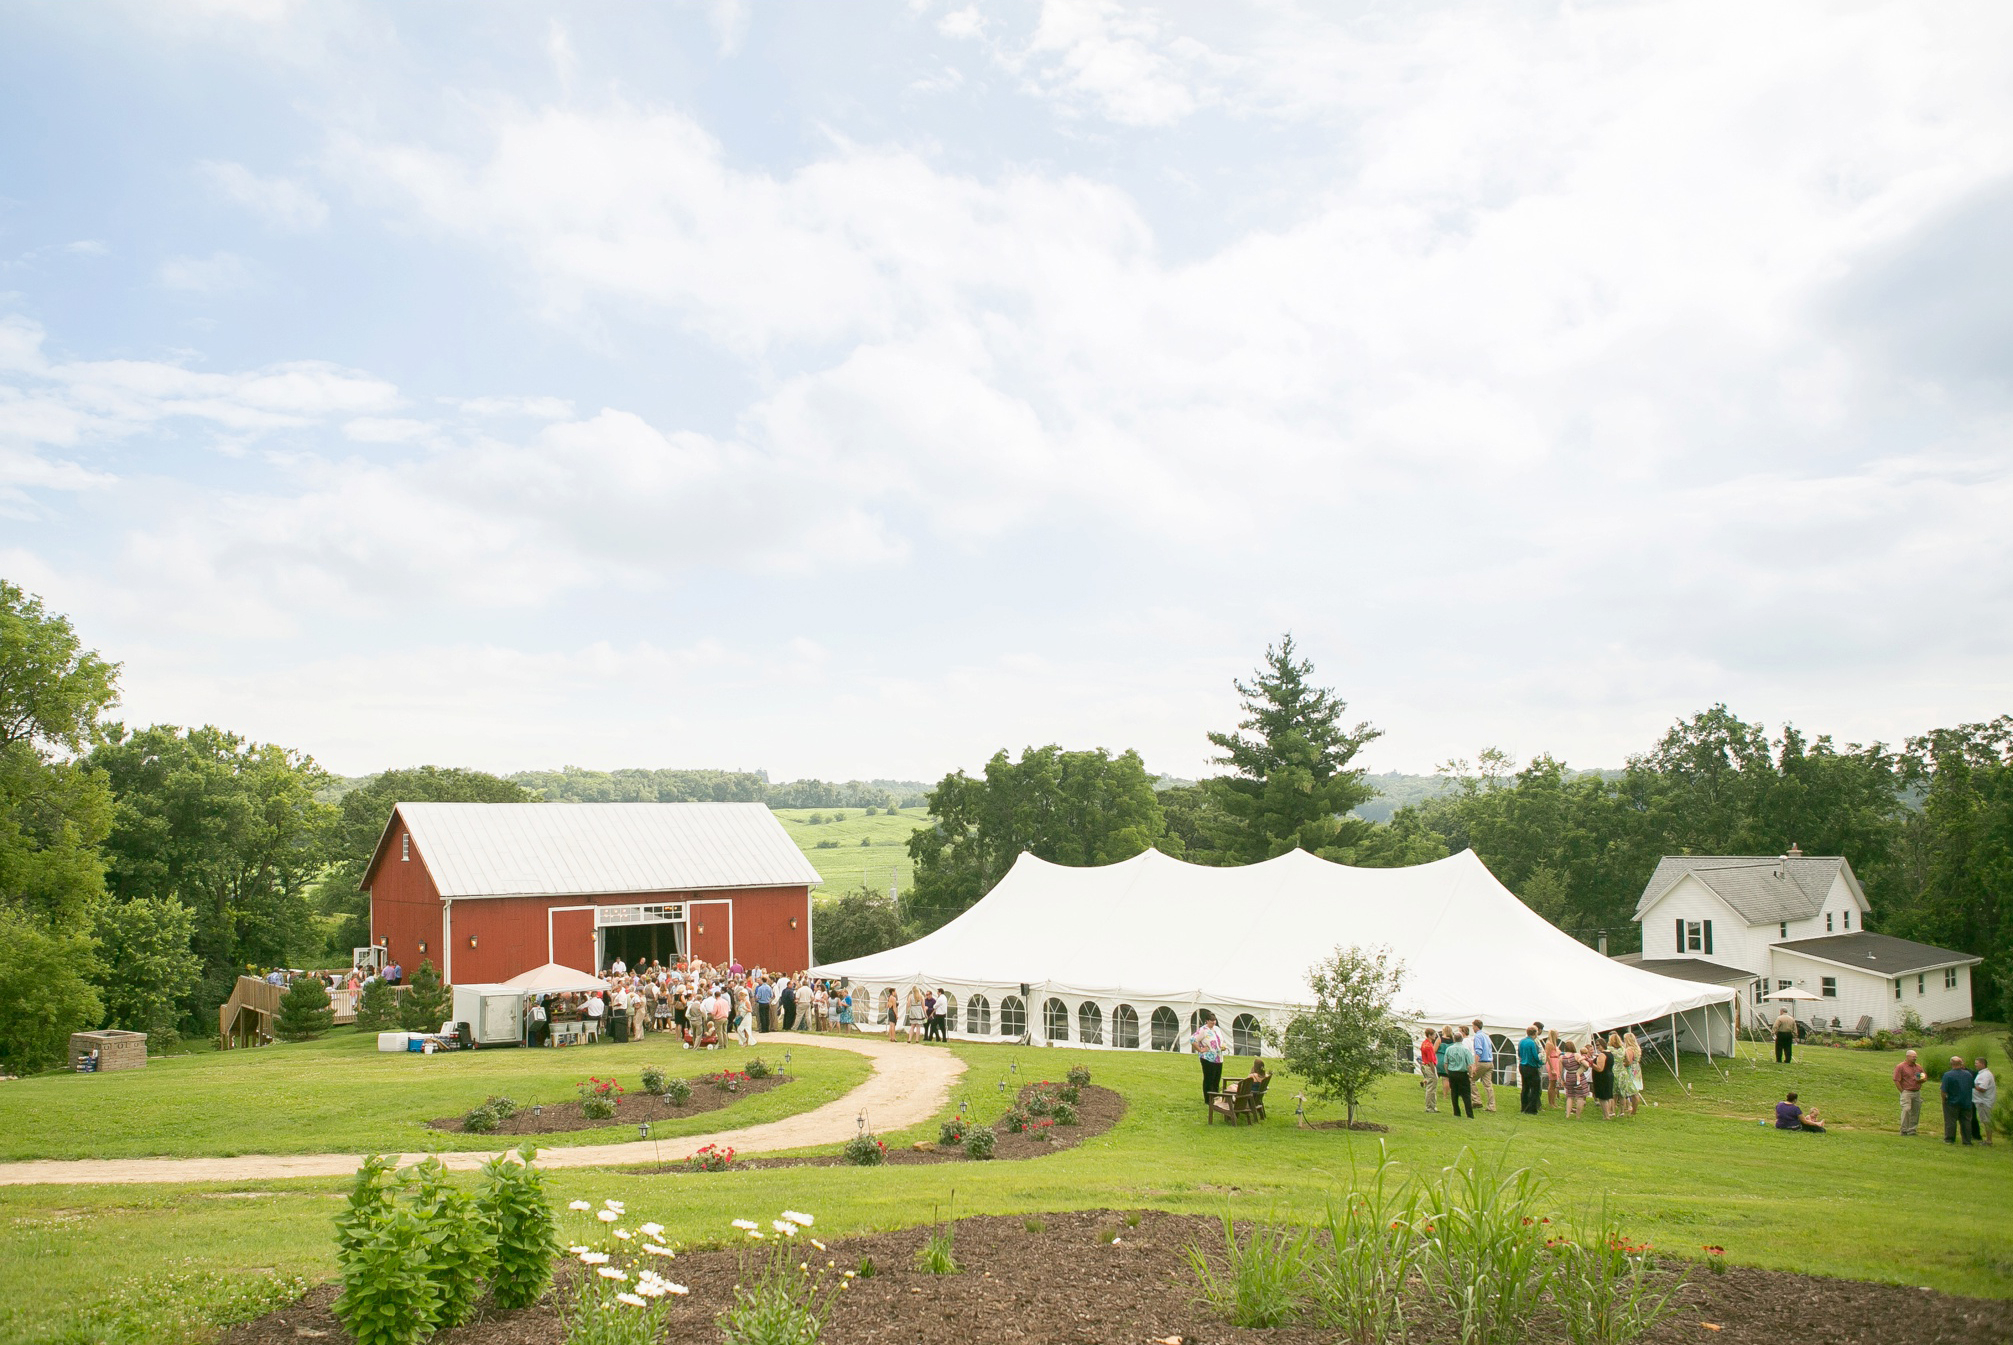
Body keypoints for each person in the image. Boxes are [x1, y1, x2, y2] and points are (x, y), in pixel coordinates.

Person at [1192, 1010, 1227, 1103]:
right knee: (1209, 1078)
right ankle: (1208, 1099)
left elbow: (1221, 1040)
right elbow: (1193, 1040)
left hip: (1218, 1057)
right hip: (1207, 1058)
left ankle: (1215, 1097)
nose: (1213, 1023)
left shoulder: (1217, 1029)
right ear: (1207, 1021)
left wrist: (1223, 1045)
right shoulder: (1203, 1030)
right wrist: (1200, 1049)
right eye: (1211, 1021)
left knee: (1216, 1078)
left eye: (1214, 1021)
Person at [1442, 1029, 1476, 1118]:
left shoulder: (1449, 1049)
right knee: (1466, 1094)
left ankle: (1456, 1112)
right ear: (1462, 1039)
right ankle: (1469, 1114)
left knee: (1454, 1093)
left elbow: (1445, 1063)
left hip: (1452, 1073)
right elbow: (1470, 1065)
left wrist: (1448, 1072)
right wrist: (1470, 1074)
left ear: (1454, 1039)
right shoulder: (1465, 1050)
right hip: (1462, 1073)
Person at [1942, 1056, 1975, 1146]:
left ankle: (1949, 1139)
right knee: (1966, 1121)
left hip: (1952, 1101)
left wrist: (1944, 1100)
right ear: (1961, 1064)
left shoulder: (1948, 1075)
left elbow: (1944, 1090)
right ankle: (1967, 1141)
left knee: (1950, 1121)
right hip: (1966, 1101)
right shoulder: (1968, 1074)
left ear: (1951, 1064)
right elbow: (1972, 1086)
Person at [1893, 1049, 1926, 1136]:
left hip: (1916, 1092)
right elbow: (1896, 1080)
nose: (1915, 1058)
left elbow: (1924, 1078)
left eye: (1915, 1057)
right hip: (1906, 1091)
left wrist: (1921, 1079)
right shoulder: (1901, 1067)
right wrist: (1902, 1091)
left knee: (1915, 1111)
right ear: (1907, 1057)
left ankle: (1912, 1130)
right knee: (1906, 1109)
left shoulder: (1918, 1067)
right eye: (1913, 1056)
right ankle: (1904, 1129)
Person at [1469, 1020, 1497, 1113]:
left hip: (1482, 1062)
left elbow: (1479, 1051)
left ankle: (1476, 1100)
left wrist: (1474, 1065)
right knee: (1488, 1085)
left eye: (1473, 1026)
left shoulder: (1478, 1036)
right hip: (1490, 1062)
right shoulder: (1486, 1036)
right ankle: (1491, 1106)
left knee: (1470, 1080)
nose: (1472, 1028)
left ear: (1476, 1026)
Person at [1517, 1025, 1544, 1115]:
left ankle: (1523, 1107)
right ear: (1535, 1033)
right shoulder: (1532, 1043)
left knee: (1525, 1087)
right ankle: (1532, 1109)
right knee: (1535, 1088)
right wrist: (1540, 1060)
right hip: (1531, 1067)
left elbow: (1519, 1054)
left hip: (1522, 1066)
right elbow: (1535, 1056)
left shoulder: (1521, 1041)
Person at [1560, 1040, 1589, 1118]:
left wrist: (1562, 1080)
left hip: (1569, 1076)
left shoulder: (1562, 1057)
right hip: (1578, 1077)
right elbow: (1586, 1064)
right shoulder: (1576, 1055)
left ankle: (1567, 1115)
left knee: (1570, 1096)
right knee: (1580, 1097)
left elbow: (1561, 1071)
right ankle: (1578, 1116)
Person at [1972, 1056, 1996, 1146]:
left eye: (1976, 1063)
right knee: (1985, 1120)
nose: (1975, 1065)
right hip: (1981, 1101)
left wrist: (1972, 1085)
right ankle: (1988, 1139)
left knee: (1987, 1120)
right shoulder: (1983, 1073)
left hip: (1984, 1101)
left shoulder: (1985, 1075)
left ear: (1982, 1064)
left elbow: (1983, 1088)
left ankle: (1989, 1140)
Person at [1619, 1032, 1643, 1116]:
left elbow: (1628, 1062)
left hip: (1630, 1070)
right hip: (1636, 1068)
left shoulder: (1629, 1050)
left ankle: (1633, 1111)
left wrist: (1621, 1064)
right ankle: (1633, 1109)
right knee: (1635, 1090)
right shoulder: (1637, 1048)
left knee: (1632, 1091)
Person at [1418, 1028, 1440, 1111]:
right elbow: (1431, 1060)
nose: (1435, 1036)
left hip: (1424, 1065)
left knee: (1430, 1086)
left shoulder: (1424, 1043)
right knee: (1431, 1087)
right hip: (1429, 1066)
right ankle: (1430, 1107)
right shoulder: (1429, 1046)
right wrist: (1433, 1071)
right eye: (1434, 1034)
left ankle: (1432, 1106)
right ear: (1430, 1035)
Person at [1545, 1029, 1562, 1110]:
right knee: (1551, 1083)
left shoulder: (1554, 1044)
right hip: (1552, 1062)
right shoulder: (1549, 1044)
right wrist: (1552, 1068)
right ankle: (1550, 1102)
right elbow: (1547, 1056)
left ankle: (1554, 1102)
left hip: (1555, 1061)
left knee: (1554, 1083)